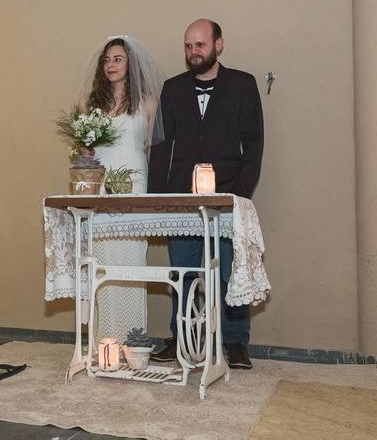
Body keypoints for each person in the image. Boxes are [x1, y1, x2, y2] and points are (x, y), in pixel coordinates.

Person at [148, 19, 264, 369]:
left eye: (200, 44)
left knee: (229, 273)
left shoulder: (243, 84)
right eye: (188, 46)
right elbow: (161, 146)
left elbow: (254, 144)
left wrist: (239, 195)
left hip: (227, 197)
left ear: (218, 45)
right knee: (182, 273)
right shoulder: (172, 89)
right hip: (180, 199)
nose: (193, 52)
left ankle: (235, 342)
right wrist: (157, 199)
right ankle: (183, 337)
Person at [80, 36, 165, 342]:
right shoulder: (94, 107)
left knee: (130, 263)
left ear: (131, 64)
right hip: (101, 189)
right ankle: (105, 342)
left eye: (117, 59)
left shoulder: (148, 102)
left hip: (134, 186)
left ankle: (132, 341)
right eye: (106, 60)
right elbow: (87, 151)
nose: (110, 65)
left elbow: (153, 151)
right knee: (101, 264)